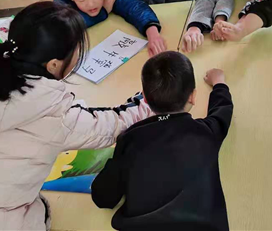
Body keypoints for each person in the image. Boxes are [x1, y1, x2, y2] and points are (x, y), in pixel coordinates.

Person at [0, 2, 152, 230]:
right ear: (53, 65)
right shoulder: (53, 114)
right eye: (77, 50)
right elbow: (113, 125)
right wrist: (153, 97)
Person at [91, 51, 233, 231]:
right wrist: (219, 83)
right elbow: (222, 110)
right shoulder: (206, 132)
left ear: (145, 98)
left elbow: (103, 198)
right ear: (192, 96)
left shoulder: (130, 139)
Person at [53, 0, 167, 56]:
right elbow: (65, 26)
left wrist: (152, 32)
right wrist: (103, 11)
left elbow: (131, 5)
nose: (91, 4)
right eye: (82, 0)